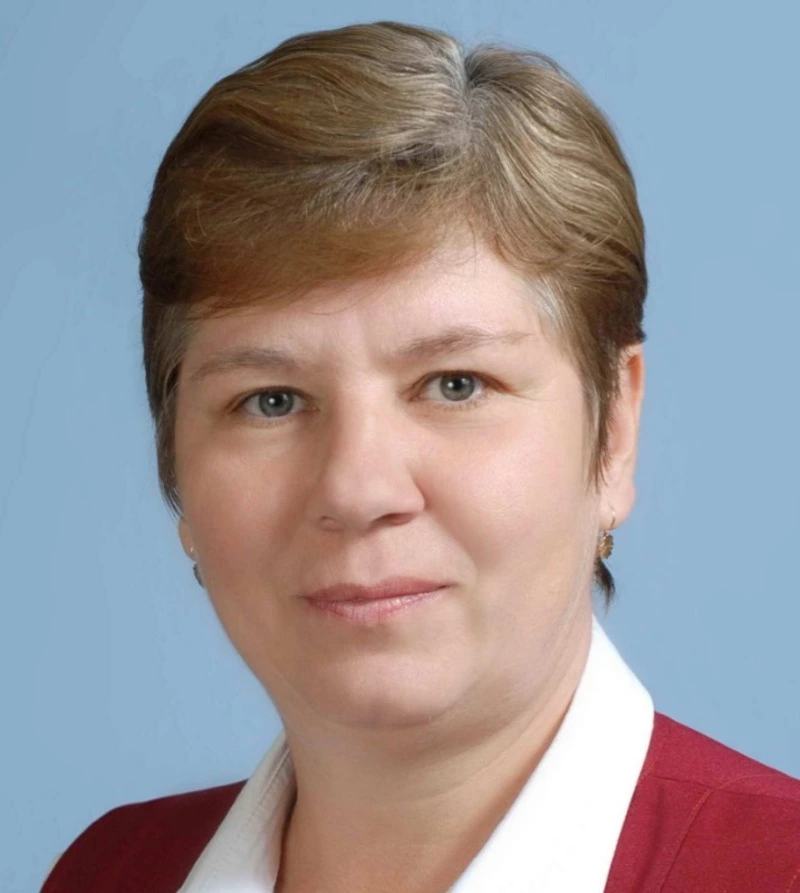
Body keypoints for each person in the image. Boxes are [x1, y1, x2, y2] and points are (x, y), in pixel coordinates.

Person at [43, 20, 800, 893]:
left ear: (614, 434)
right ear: (175, 457)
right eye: (271, 399)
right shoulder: (109, 872)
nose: (358, 488)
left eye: (455, 384)